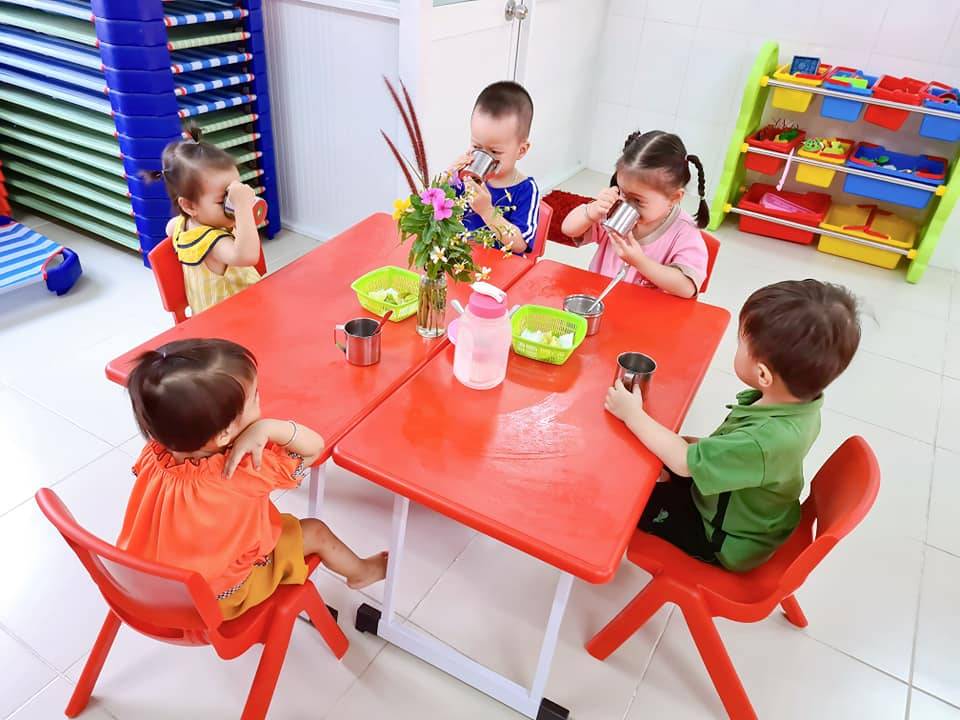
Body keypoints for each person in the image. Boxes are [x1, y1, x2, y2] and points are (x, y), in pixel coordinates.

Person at [119, 338, 387, 619]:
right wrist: (268, 427)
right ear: (224, 433)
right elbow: (315, 447)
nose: (261, 400)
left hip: (150, 587)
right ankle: (361, 572)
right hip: (216, 599)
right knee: (316, 531)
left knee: (278, 524)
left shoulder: (155, 454)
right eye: (255, 397)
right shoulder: (243, 470)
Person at [604, 280, 861, 571]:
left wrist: (632, 415)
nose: (736, 347)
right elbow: (725, 450)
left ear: (763, 374)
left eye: (741, 343)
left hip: (725, 539)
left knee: (624, 498)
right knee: (652, 459)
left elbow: (685, 463)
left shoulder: (765, 440)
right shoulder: (802, 405)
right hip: (746, 510)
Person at [560, 130, 709, 298]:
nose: (627, 205)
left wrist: (640, 262)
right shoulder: (615, 211)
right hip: (599, 298)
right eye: (624, 193)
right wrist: (591, 211)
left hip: (646, 310)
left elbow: (687, 288)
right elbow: (568, 229)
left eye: (638, 200)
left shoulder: (684, 232)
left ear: (673, 198)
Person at [157, 127, 262, 315]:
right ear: (189, 206)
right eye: (224, 200)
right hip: (236, 318)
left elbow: (169, 229)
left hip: (212, 316)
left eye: (234, 192)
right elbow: (247, 256)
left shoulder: (181, 226)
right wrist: (243, 208)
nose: (233, 203)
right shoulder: (214, 242)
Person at [451, 81, 540, 254]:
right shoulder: (465, 177)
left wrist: (487, 211)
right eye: (477, 147)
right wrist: (448, 177)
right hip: (461, 258)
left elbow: (521, 244)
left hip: (502, 266)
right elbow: (434, 210)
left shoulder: (526, 190)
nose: (484, 156)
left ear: (521, 150)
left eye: (495, 152)